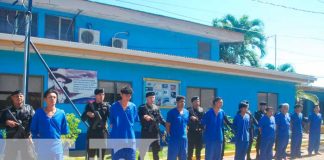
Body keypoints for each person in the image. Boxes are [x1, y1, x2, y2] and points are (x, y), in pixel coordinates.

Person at [30, 89, 69, 160]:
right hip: (43, 147)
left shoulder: (61, 113)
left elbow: (64, 131)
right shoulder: (39, 112)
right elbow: (33, 130)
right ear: (45, 99)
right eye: (50, 97)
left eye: (54, 97)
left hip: (57, 148)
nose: (52, 99)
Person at [1, 90, 35, 160]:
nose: (19, 98)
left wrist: (31, 135)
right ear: (12, 98)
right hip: (11, 139)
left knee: (28, 158)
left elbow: (35, 122)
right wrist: (6, 122)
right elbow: (0, 123)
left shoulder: (29, 108)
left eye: (21, 96)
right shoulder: (7, 111)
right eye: (16, 96)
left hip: (26, 139)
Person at [109, 86, 139, 160]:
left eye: (130, 96)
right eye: (126, 95)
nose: (128, 98)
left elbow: (134, 120)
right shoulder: (114, 106)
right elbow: (112, 123)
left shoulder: (133, 107)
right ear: (121, 94)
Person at [81, 88, 110, 160]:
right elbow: (83, 118)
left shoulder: (107, 106)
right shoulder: (90, 105)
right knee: (91, 156)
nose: (101, 96)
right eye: (99, 94)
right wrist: (87, 113)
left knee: (101, 156)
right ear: (96, 96)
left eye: (103, 94)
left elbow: (112, 118)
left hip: (102, 133)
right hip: (92, 132)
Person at [138, 91, 166, 160]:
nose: (152, 99)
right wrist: (144, 116)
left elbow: (161, 119)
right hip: (146, 132)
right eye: (150, 97)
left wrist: (167, 125)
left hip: (155, 132)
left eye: (153, 97)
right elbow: (140, 115)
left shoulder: (156, 107)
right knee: (143, 151)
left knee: (156, 151)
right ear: (147, 98)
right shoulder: (142, 107)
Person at [166, 95, 189, 160]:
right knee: (172, 157)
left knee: (183, 157)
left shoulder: (186, 112)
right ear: (177, 102)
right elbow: (167, 125)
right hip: (174, 139)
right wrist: (169, 135)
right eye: (181, 101)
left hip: (183, 139)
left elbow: (186, 124)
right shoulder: (171, 112)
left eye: (184, 102)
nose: (183, 103)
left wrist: (186, 134)